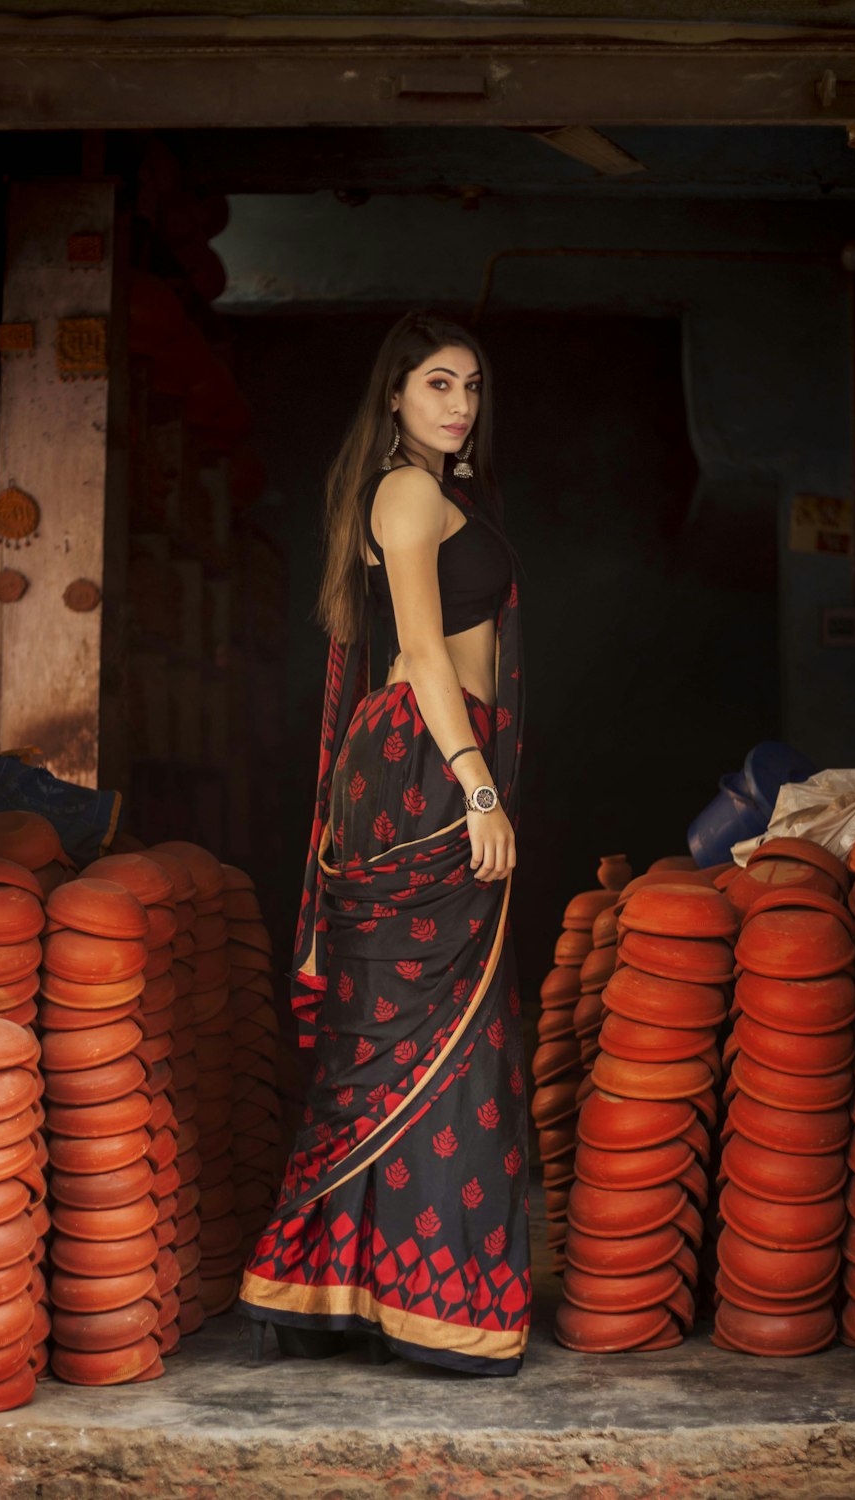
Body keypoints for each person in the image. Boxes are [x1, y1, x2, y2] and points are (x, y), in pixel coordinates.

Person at [237, 310, 530, 1376]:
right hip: (425, 768)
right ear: (395, 398)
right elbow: (416, 648)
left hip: (427, 757)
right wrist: (476, 786)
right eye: (439, 384)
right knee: (434, 1035)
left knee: (410, 1030)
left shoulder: (444, 494)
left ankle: (335, 1287)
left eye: (472, 388)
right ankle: (410, 1297)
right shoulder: (407, 492)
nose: (460, 404)